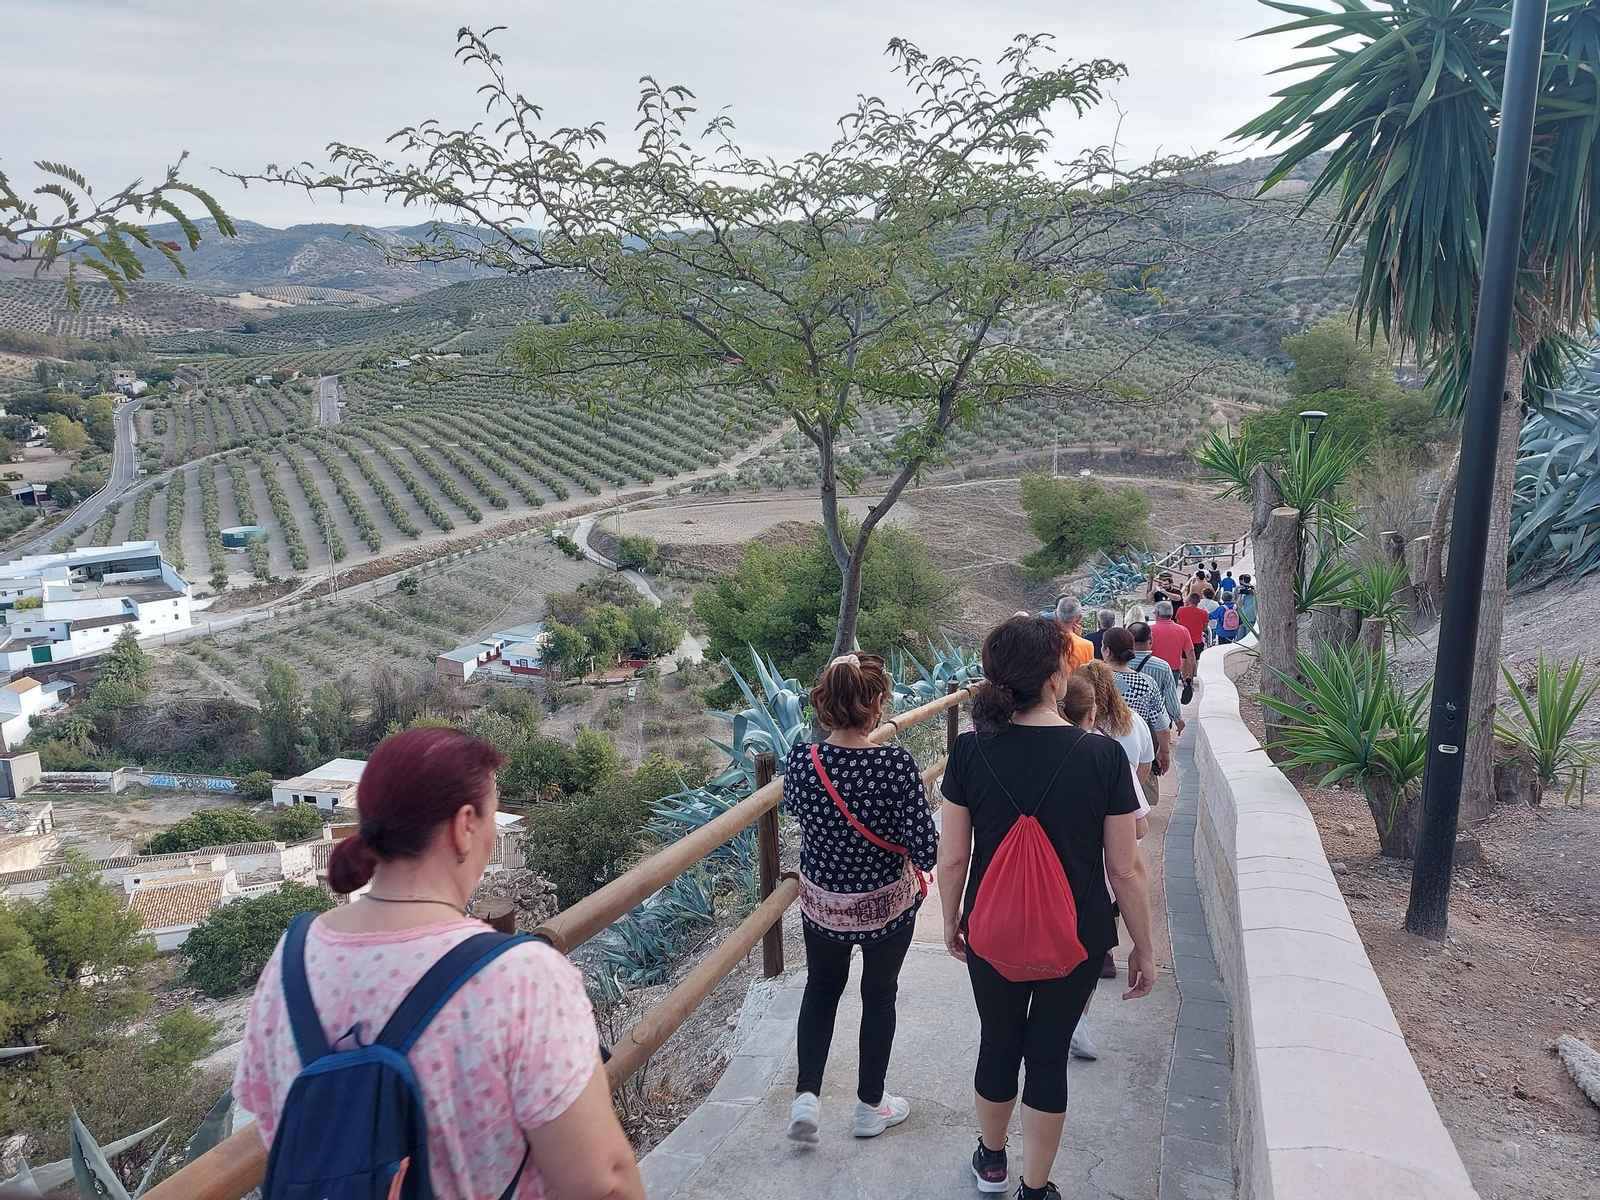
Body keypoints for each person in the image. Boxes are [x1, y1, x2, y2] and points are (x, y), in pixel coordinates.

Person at [233, 726, 644, 1200]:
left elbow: (274, 1125)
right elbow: (601, 1181)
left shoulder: (292, 959)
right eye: (491, 814)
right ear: (464, 824)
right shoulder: (521, 978)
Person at [938, 617, 1155, 1199]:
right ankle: (1037, 1189)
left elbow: (953, 857)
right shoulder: (1103, 758)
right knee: (1048, 1055)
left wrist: (952, 920)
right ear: (1057, 679)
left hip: (993, 929)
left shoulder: (968, 751)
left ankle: (991, 1162)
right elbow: (1125, 868)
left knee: (998, 1041)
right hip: (1079, 936)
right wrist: (1144, 947)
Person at [783, 653, 937, 1143]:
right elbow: (926, 850)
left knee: (822, 990)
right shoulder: (894, 764)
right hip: (884, 905)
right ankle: (870, 1107)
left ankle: (806, 1098)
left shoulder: (801, 761)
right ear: (876, 703)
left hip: (822, 904)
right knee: (878, 995)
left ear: (824, 704)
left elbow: (796, 812)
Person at [1061, 667, 1151, 1056]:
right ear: (1092, 712)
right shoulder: (1113, 750)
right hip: (1095, 880)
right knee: (1086, 952)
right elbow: (1138, 833)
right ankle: (1076, 1020)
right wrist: (1143, 945)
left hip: (1042, 874)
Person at [1102, 628, 1173, 812]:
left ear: (1107, 651)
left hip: (1098, 745)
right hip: (1134, 746)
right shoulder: (1146, 683)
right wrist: (1164, 752)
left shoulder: (1096, 679)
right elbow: (1161, 725)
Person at [1146, 602, 1195, 683]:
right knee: (1171, 694)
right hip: (1173, 670)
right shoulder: (1183, 630)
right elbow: (1191, 656)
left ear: (1157, 614)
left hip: (1153, 668)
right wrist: (1190, 677)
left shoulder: (1149, 630)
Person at [1052, 594, 1096, 670]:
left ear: (1056, 614)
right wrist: (1078, 638)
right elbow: (1089, 674)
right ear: (1079, 618)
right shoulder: (1087, 645)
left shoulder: (1044, 638)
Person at [1175, 594, 1209, 666]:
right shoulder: (1204, 613)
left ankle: (1184, 676)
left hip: (1183, 638)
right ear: (1199, 601)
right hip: (1197, 639)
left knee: (1184, 659)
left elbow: (1178, 623)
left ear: (1189, 600)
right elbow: (1205, 627)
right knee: (1195, 659)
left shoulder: (1181, 609)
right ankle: (1191, 675)